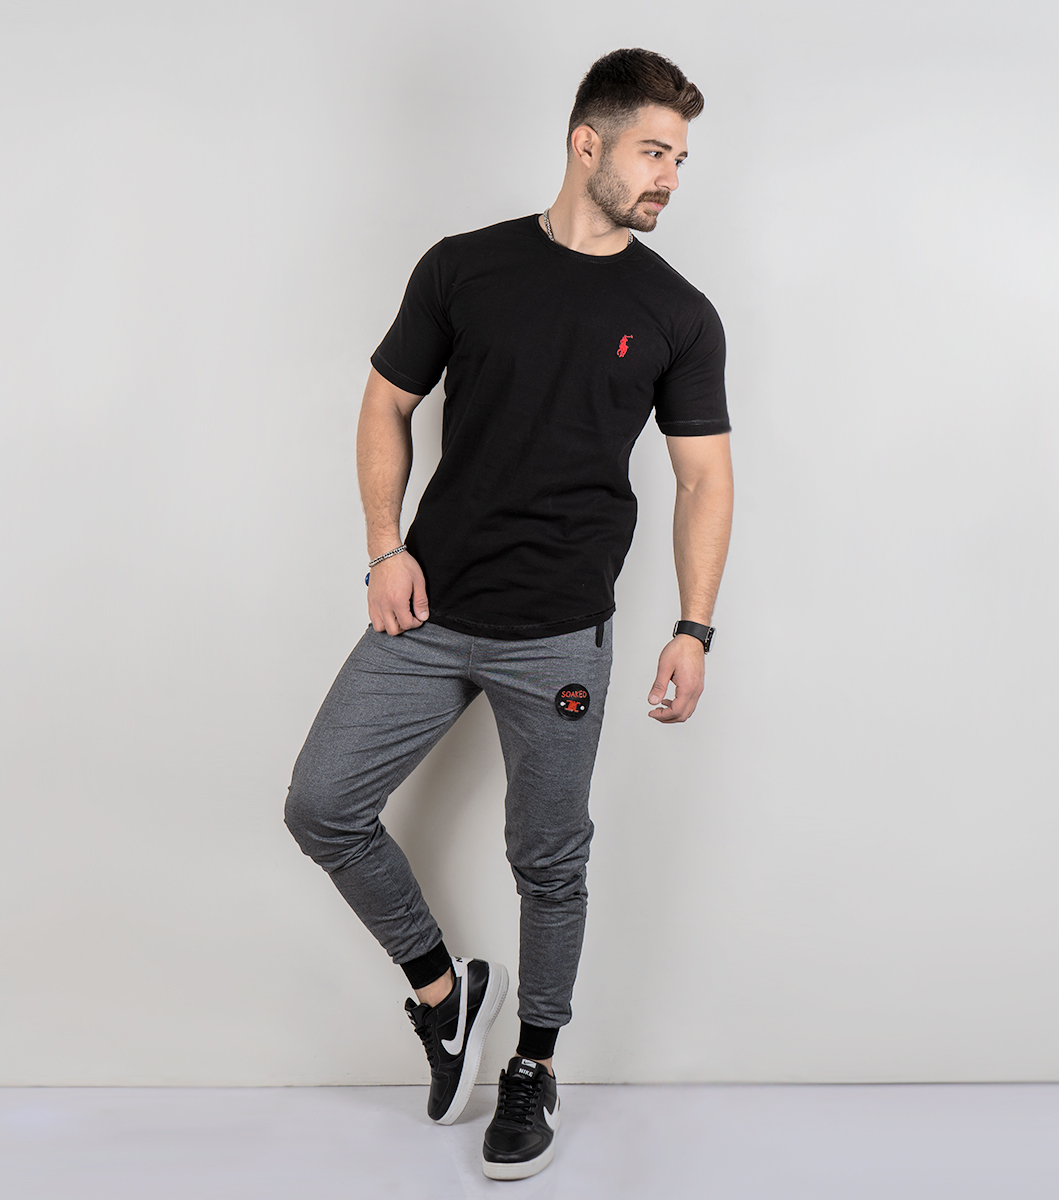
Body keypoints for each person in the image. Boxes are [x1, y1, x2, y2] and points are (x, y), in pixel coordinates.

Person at [284, 47, 733, 1181]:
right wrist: (384, 545)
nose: (669, 177)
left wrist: (693, 627)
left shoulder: (678, 313)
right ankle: (444, 995)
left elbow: (705, 479)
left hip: (561, 634)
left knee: (548, 858)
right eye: (654, 152)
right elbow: (386, 403)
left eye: (680, 159)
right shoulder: (464, 268)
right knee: (323, 804)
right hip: (430, 608)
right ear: (587, 144)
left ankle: (532, 1064)